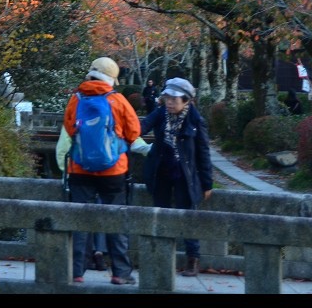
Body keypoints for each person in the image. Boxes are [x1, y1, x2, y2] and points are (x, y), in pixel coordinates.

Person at [56, 57, 145, 285]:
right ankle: (120, 273)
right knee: (116, 220)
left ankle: (76, 272)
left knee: (79, 221)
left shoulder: (76, 99)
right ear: (112, 78)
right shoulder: (117, 100)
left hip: (79, 168)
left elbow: (68, 127)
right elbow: (134, 132)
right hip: (113, 171)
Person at [137, 77, 214, 277]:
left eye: (175, 99)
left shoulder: (196, 120)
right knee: (160, 214)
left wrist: (207, 184)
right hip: (161, 171)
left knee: (187, 216)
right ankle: (160, 257)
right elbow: (143, 126)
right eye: (167, 98)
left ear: (186, 100)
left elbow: (203, 154)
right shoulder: (161, 113)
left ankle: (192, 259)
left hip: (184, 175)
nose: (169, 103)